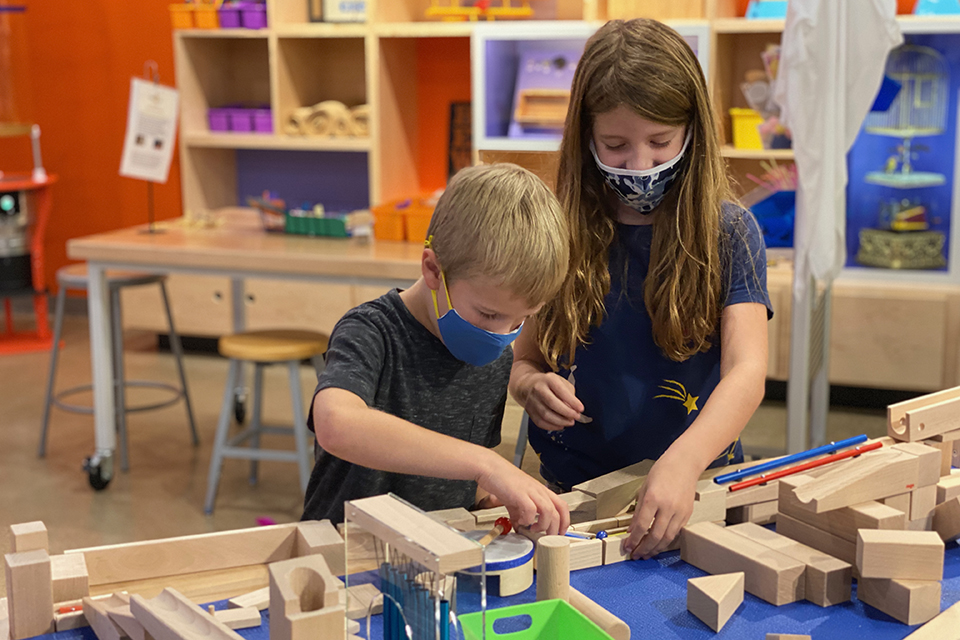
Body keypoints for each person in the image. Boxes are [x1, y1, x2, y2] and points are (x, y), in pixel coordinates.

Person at [509, 19, 772, 559]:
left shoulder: (729, 232)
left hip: (697, 488)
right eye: (615, 145)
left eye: (660, 142)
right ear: (586, 136)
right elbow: (523, 359)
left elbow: (747, 371)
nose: (641, 165)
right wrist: (530, 385)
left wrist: (684, 462)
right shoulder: (556, 228)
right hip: (571, 495)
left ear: (692, 132)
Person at [302, 163, 571, 535]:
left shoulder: (495, 356)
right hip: (346, 546)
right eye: (489, 313)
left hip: (439, 549)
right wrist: (487, 465)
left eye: (522, 318)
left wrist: (489, 497)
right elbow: (336, 425)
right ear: (432, 270)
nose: (503, 334)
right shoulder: (372, 330)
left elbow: (464, 473)